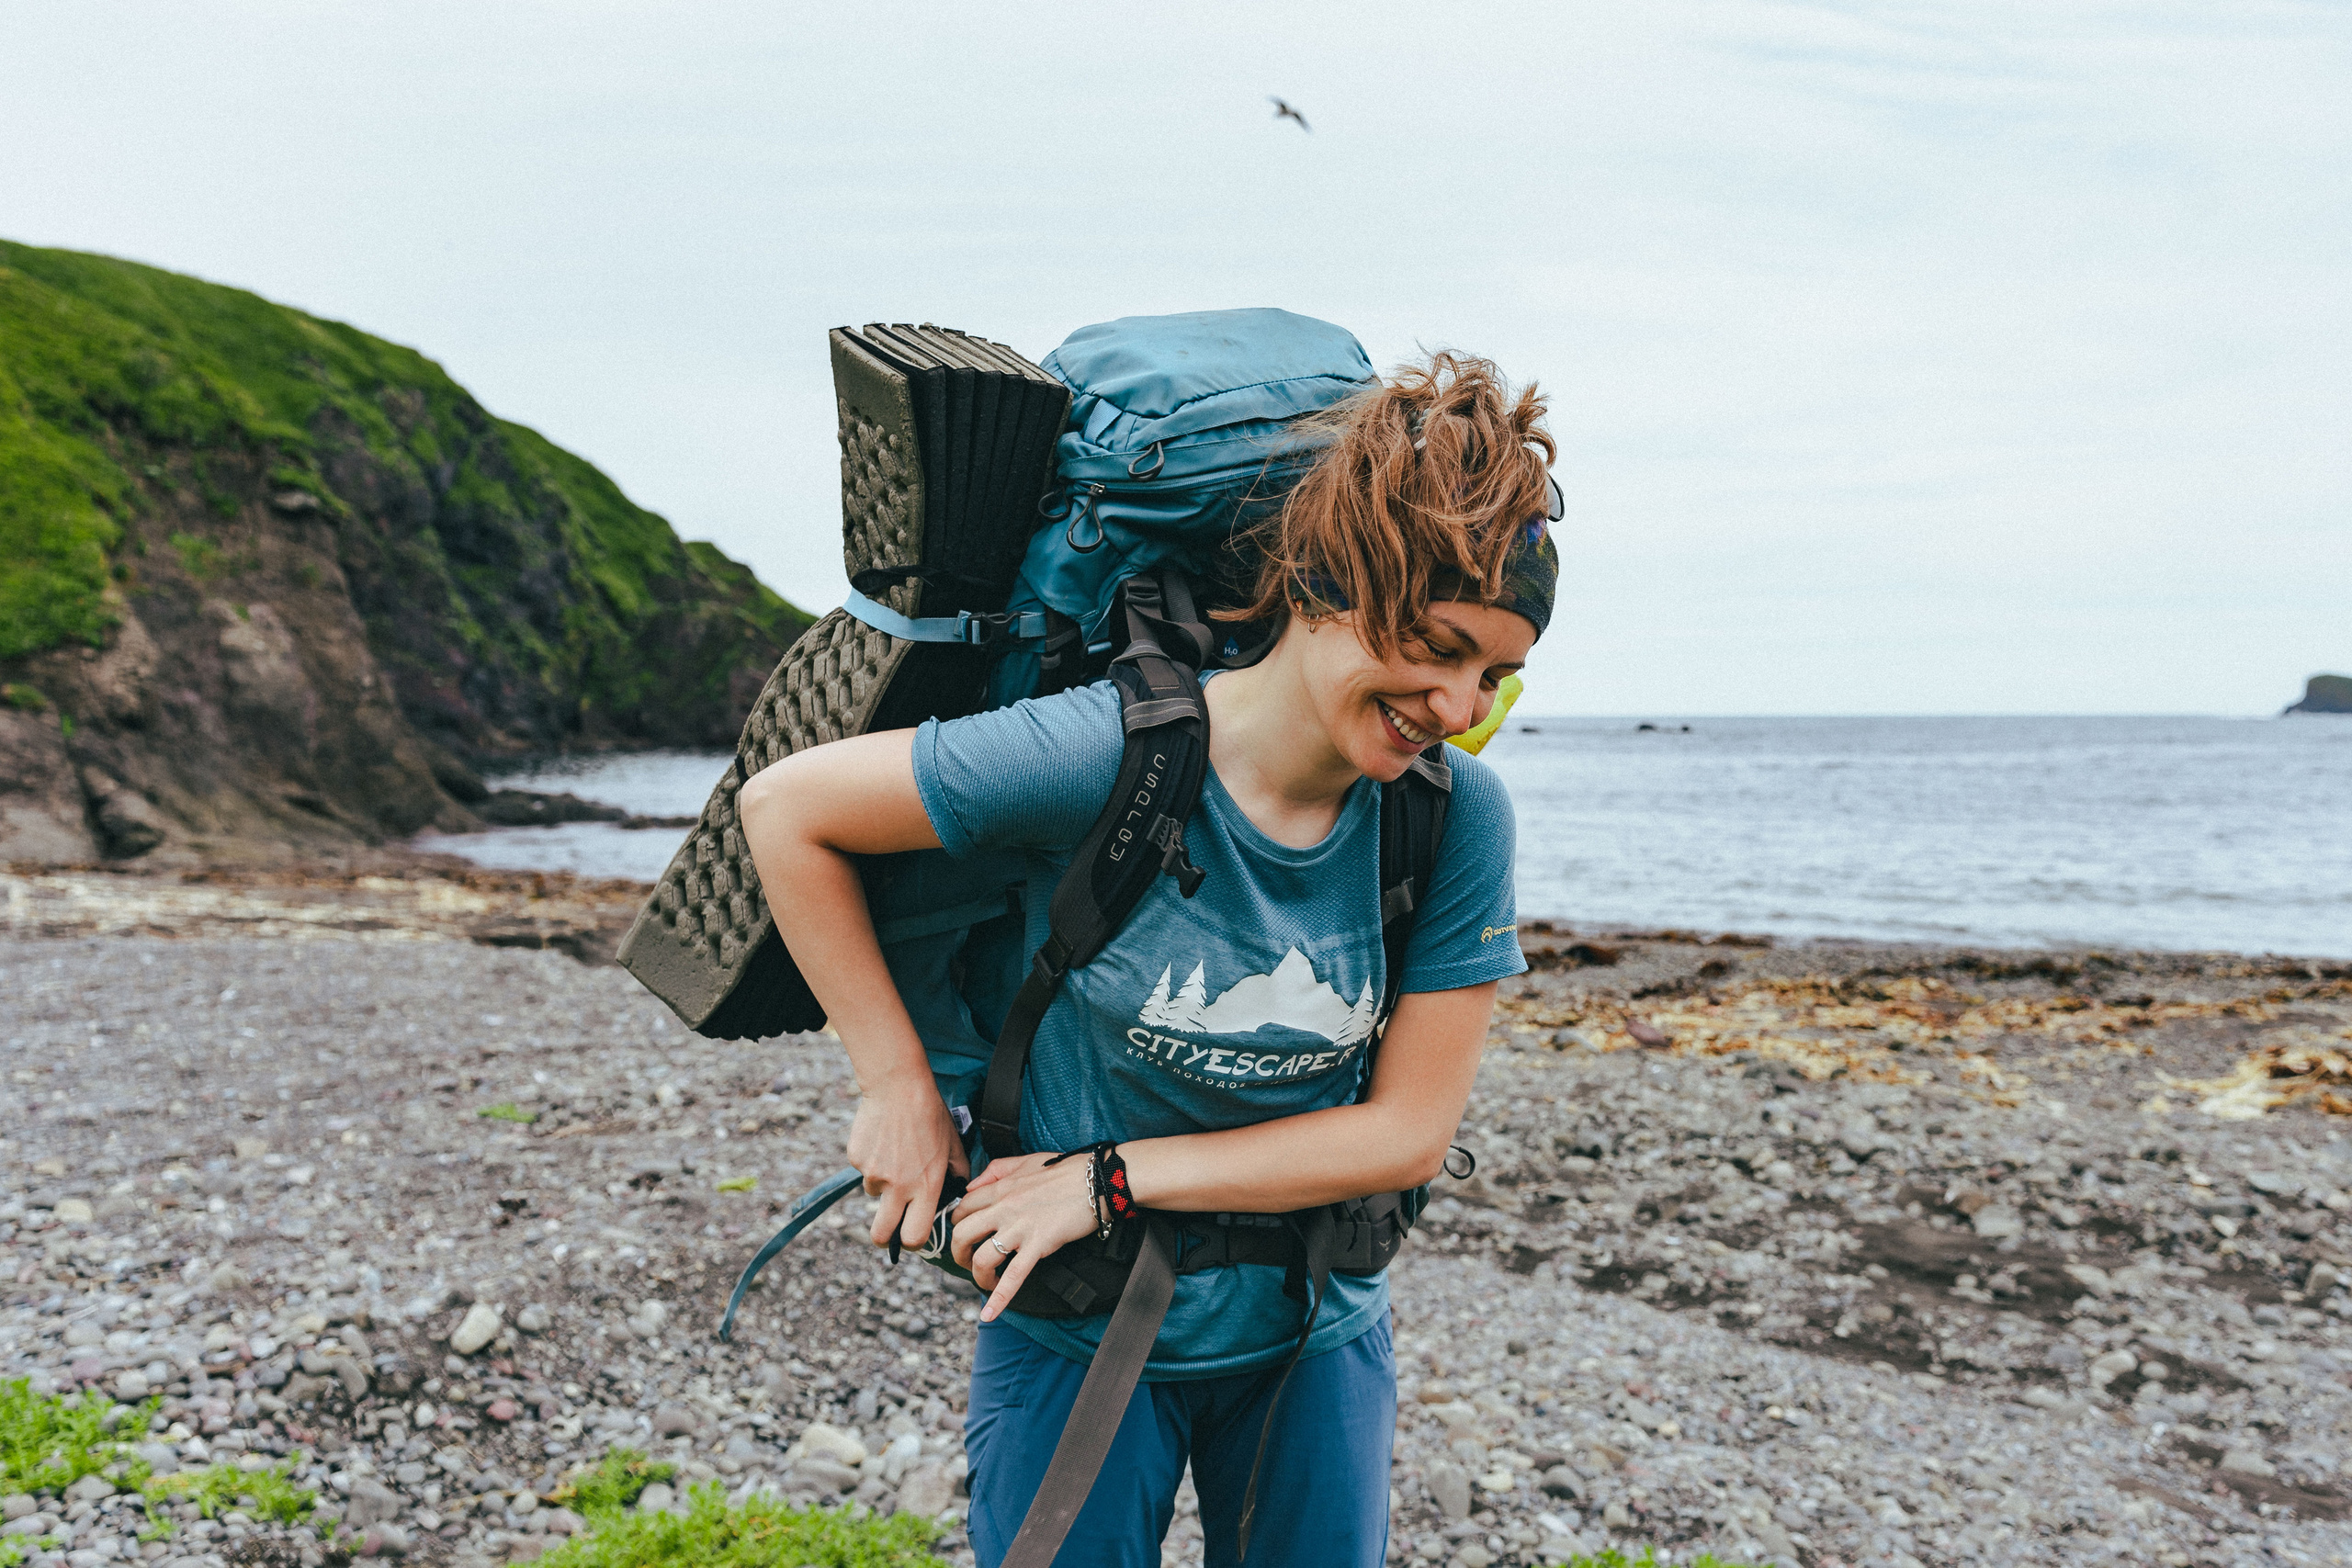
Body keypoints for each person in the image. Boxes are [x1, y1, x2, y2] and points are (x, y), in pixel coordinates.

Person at [738, 348, 1556, 1568]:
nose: (1454, 703)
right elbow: (787, 810)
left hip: (1312, 1327)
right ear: (1329, 587)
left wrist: (1113, 1174)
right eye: (1435, 648)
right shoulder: (1106, 758)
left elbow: (1404, 1135)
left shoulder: (1454, 817)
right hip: (1078, 1317)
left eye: (1493, 675)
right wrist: (894, 1084)